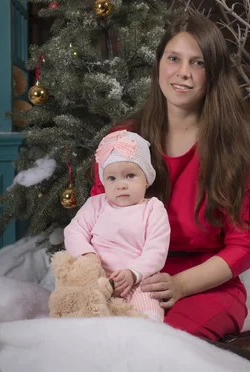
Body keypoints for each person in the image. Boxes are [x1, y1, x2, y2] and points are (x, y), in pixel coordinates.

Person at [90, 13, 250, 343]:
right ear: (159, 65)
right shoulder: (123, 140)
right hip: (128, 277)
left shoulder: (232, 148)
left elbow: (243, 247)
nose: (183, 73)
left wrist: (180, 285)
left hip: (204, 285)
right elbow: (96, 217)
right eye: (174, 58)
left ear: (213, 75)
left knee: (169, 346)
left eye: (198, 63)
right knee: (103, 342)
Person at [64, 130, 171, 322]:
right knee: (84, 305)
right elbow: (74, 231)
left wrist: (133, 272)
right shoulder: (96, 204)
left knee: (148, 308)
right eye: (112, 178)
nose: (120, 185)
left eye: (130, 176)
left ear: (146, 178)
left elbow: (156, 250)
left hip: (137, 280)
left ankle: (148, 335)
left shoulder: (153, 209)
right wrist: (87, 254)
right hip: (97, 277)